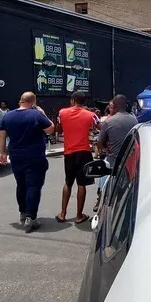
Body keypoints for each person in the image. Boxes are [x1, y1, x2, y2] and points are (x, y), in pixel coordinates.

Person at [0, 92, 55, 233]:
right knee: (33, 186)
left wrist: (2, 153)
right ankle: (31, 217)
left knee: (21, 185)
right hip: (35, 157)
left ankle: (23, 213)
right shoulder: (36, 115)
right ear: (33, 102)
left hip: (16, 157)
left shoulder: (7, 116)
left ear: (20, 101)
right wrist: (43, 113)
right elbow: (50, 130)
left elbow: (1, 136)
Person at [55, 91, 97, 224]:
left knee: (68, 182)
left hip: (69, 153)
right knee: (82, 184)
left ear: (73, 100)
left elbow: (59, 129)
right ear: (84, 102)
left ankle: (62, 214)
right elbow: (99, 127)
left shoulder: (62, 113)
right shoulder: (91, 115)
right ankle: (79, 215)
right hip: (84, 152)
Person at [93, 94, 139, 211]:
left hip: (113, 159)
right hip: (130, 159)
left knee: (105, 184)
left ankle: (101, 202)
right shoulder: (134, 120)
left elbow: (99, 142)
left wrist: (103, 149)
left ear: (115, 106)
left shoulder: (109, 122)